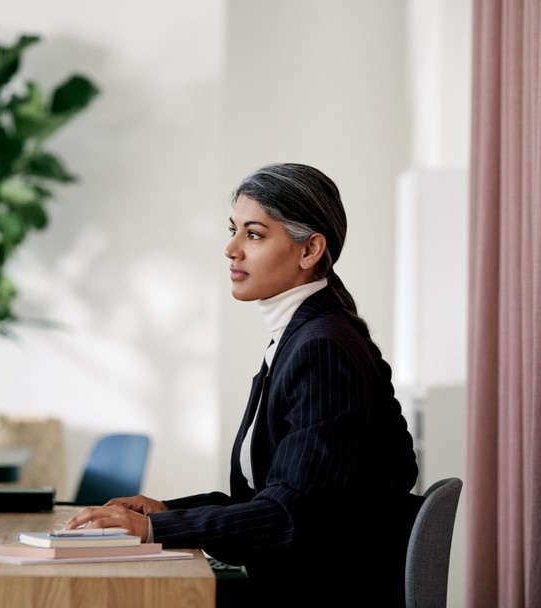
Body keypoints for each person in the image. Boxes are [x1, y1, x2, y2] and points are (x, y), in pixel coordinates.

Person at [65, 162, 421, 606]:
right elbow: (272, 495)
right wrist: (169, 510)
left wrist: (154, 530)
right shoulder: (303, 336)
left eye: (253, 234)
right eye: (233, 230)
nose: (231, 249)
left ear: (309, 250)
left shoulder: (322, 347)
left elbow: (290, 515)